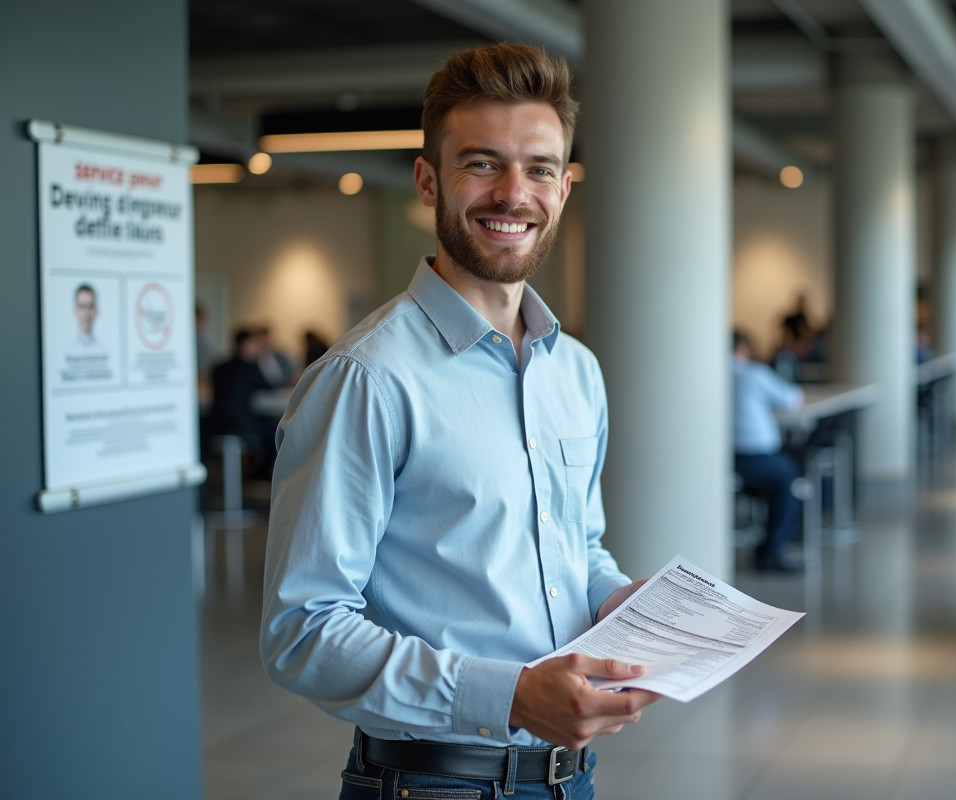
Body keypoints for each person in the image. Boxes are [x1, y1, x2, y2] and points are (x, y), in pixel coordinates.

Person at [260, 43, 657, 799]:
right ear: (427, 180)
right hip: (429, 785)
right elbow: (302, 630)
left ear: (564, 190)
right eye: (482, 163)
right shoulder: (366, 378)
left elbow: (580, 543)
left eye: (539, 168)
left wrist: (614, 599)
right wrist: (507, 695)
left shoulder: (575, 370)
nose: (514, 193)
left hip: (570, 781)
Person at [733, 330, 805, 572]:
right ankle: (772, 550)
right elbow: (791, 399)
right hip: (754, 457)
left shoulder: (709, 373)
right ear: (743, 349)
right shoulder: (753, 373)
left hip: (721, 460)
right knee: (789, 475)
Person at [209, 328, 275, 476]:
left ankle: (253, 474)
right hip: (240, 424)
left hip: (215, 423)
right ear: (245, 345)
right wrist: (263, 359)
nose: (258, 348)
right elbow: (271, 385)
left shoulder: (218, 367)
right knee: (275, 434)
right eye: (255, 344)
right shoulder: (249, 368)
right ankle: (259, 475)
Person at [68, 283, 105, 354]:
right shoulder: (67, 349)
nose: (86, 313)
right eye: (82, 306)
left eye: (91, 306)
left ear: (96, 311)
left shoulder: (104, 349)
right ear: (75, 311)